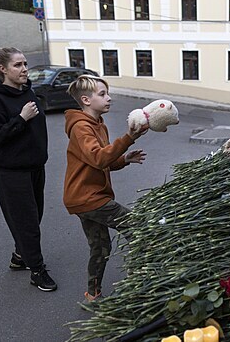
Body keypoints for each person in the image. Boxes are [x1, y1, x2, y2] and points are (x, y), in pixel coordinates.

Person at [63, 74, 148, 304]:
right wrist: (128, 138)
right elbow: (99, 158)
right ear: (86, 100)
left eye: (107, 93)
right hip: (88, 198)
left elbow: (103, 161)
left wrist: (124, 160)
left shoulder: (98, 125)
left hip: (85, 198)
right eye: (102, 94)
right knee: (138, 228)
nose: (109, 98)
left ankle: (93, 295)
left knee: (100, 247)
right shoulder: (81, 127)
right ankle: (141, 282)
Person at [0, 47, 57, 292]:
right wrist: (21, 119)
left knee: (34, 218)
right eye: (18, 65)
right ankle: (37, 270)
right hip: (11, 172)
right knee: (27, 223)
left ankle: (20, 257)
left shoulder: (28, 92)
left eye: (25, 64)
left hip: (35, 167)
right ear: (3, 69)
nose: (24, 69)